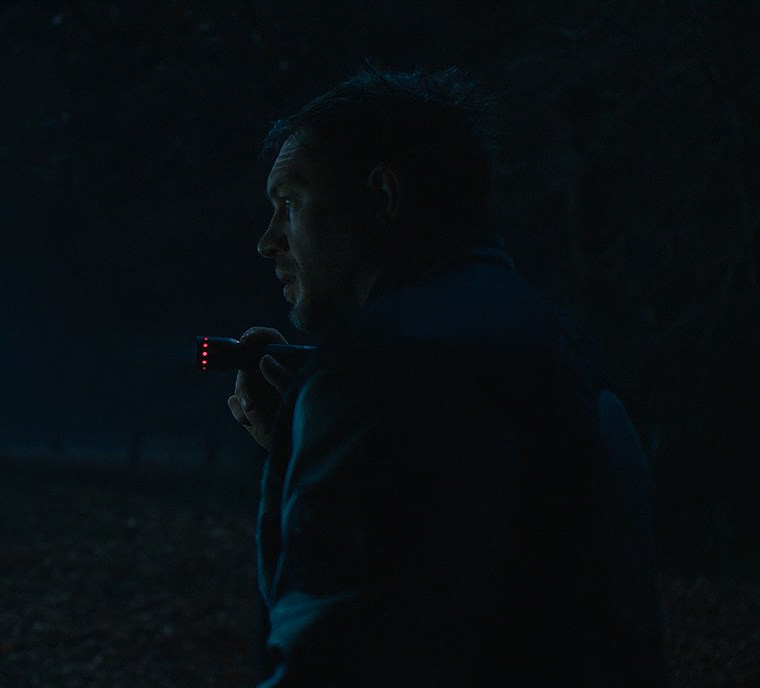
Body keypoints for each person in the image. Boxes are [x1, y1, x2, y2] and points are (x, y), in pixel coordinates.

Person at [227, 65, 665, 687]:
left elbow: (325, 656)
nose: (267, 241)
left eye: (290, 203)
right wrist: (300, 450)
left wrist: (325, 431)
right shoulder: (559, 343)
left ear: (382, 197)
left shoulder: (382, 366)